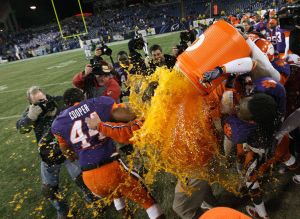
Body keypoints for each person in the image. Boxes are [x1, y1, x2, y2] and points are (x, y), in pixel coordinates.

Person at [51, 88, 164, 219]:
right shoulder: (98, 103)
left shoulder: (58, 123)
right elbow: (129, 115)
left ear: (67, 104)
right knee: (149, 202)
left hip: (89, 179)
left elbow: (68, 154)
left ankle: (127, 216)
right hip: (111, 169)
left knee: (115, 192)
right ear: (83, 97)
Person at [16, 86, 97, 219]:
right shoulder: (30, 112)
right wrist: (30, 118)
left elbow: (76, 110)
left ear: (46, 96)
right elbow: (22, 128)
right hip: (48, 154)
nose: (42, 103)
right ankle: (63, 210)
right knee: (49, 189)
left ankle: (93, 199)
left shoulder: (58, 101)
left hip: (67, 148)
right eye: (37, 103)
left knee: (81, 178)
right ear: (31, 104)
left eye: (43, 99)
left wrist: (59, 112)